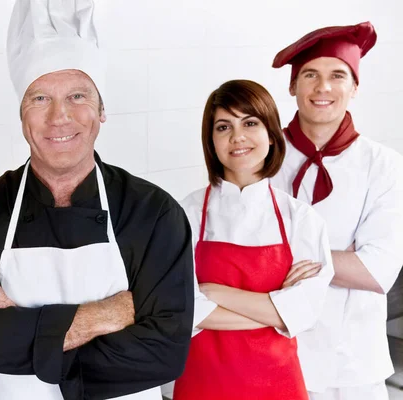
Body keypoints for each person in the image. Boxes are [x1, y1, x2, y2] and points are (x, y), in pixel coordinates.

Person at [0, 1, 194, 399]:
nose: (59, 117)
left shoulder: (154, 211)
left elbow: (165, 352)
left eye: (78, 96)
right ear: (21, 114)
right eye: (40, 98)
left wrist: (18, 328)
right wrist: (104, 315)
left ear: (101, 111)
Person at [172, 80, 334, 400]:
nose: (237, 137)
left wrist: (212, 292)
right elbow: (179, 311)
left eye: (250, 122)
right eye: (223, 127)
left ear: (271, 135)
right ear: (211, 142)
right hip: (204, 384)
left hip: (279, 385)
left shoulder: (301, 220)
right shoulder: (185, 214)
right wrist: (276, 309)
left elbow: (304, 312)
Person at [271, 22, 403, 400]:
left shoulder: (384, 165)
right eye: (310, 75)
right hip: (272, 348)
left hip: (352, 362)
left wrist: (281, 261)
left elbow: (377, 270)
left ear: (355, 87)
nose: (323, 87)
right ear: (293, 86)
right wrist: (332, 263)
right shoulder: (260, 153)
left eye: (337, 75)